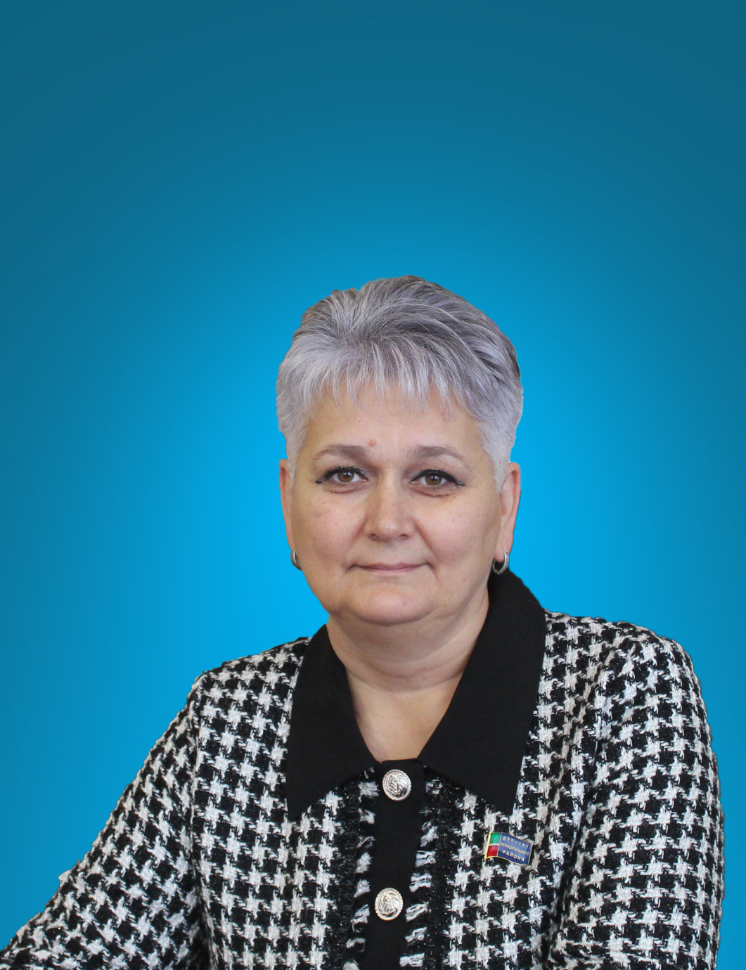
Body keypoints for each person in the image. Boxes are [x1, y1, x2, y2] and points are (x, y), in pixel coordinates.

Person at [1, 276, 724, 970]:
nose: (386, 522)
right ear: (289, 501)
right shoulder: (226, 718)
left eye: (434, 477)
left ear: (504, 507)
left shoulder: (625, 691)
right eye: (344, 474)